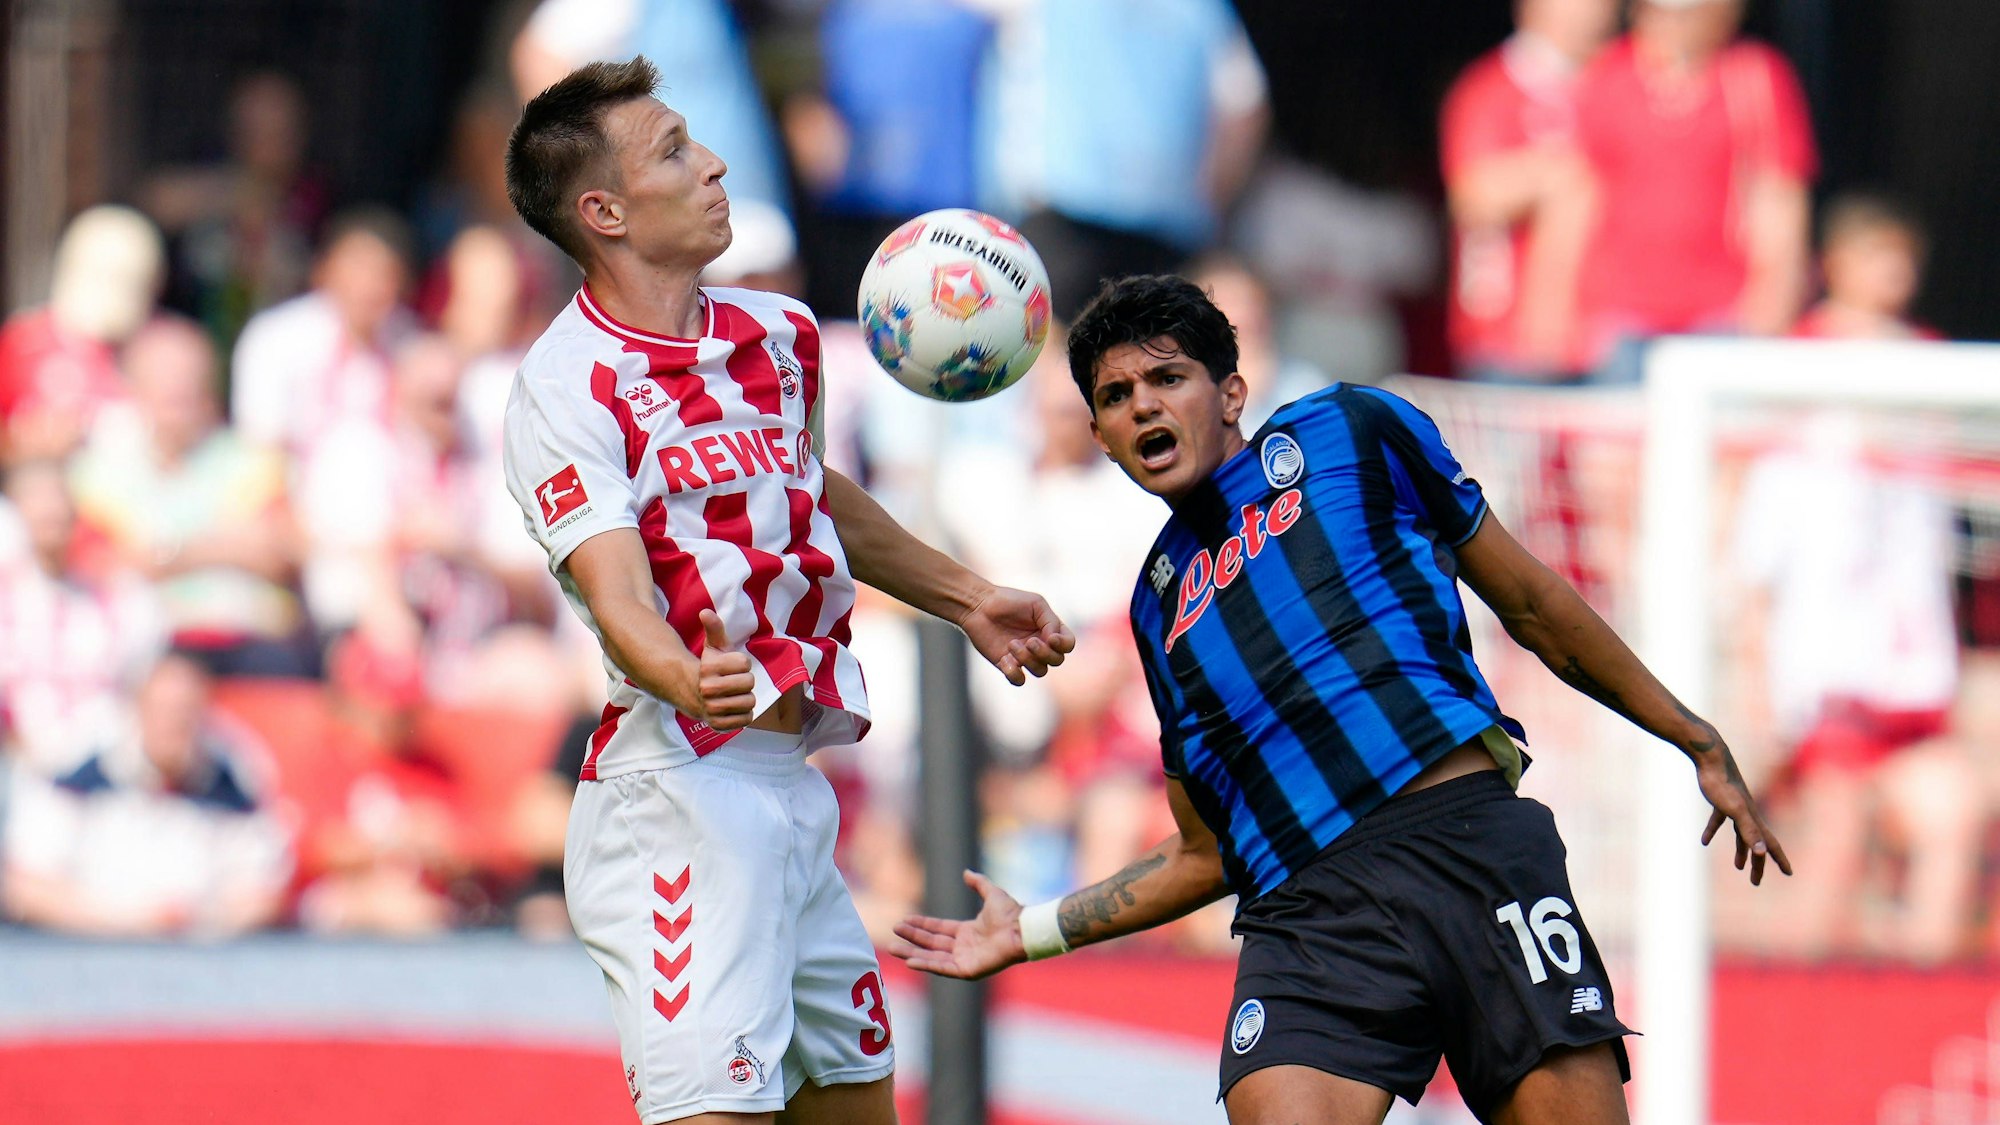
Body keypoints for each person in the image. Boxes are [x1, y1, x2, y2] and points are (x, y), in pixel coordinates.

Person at [893, 275, 1789, 1125]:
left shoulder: (1350, 431)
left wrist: (1694, 736)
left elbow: (1532, 604)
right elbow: (1206, 853)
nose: (1145, 405)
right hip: (1309, 918)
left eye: (1169, 377)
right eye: (1118, 396)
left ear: (1232, 392)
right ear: (1101, 435)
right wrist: (1035, 930)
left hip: (1467, 848)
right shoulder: (1158, 602)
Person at [499, 58, 1072, 1124]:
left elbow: (809, 492)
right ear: (604, 210)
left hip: (793, 790)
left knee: (858, 1106)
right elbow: (616, 593)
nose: (714, 164)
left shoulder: (780, 337)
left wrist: (965, 595)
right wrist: (682, 670)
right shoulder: (562, 385)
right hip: (675, 792)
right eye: (674, 150)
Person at [1536, 0, 1817, 376]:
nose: (1673, 27)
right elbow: (1575, 198)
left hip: (1724, 318)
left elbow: (1778, 196)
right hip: (1619, 319)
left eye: (1688, 14)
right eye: (1661, 14)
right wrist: (1552, 305)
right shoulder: (1607, 76)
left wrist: (1774, 299)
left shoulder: (1753, 76)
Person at [1439, 0, 1617, 380]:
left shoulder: (1620, 83)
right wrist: (1556, 174)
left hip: (1606, 338)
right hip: (1507, 344)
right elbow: (1473, 195)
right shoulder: (1490, 88)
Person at [1790, 194, 1942, 341]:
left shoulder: (1926, 345)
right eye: (1877, 252)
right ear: (1835, 265)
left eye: (1909, 255)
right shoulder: (1799, 342)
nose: (1896, 267)